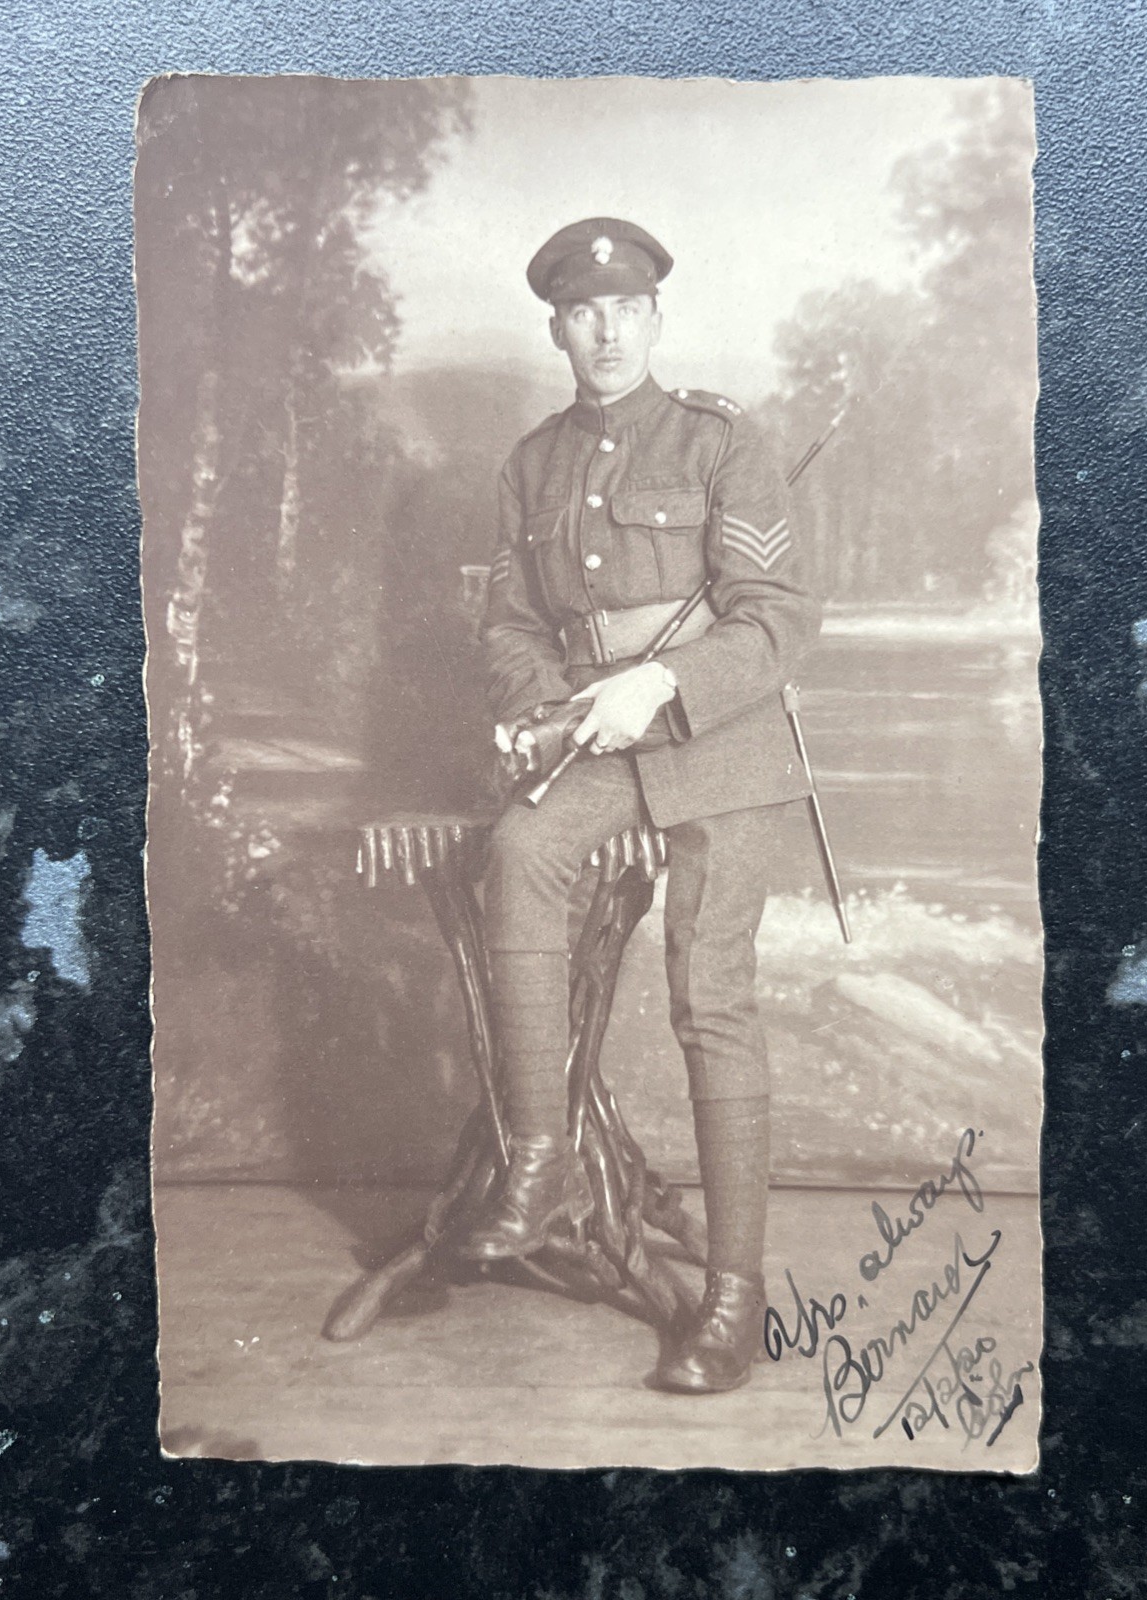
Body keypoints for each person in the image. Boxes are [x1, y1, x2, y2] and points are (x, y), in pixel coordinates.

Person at [468, 217, 821, 1393]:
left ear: (657, 320)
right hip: (595, 737)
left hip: (718, 742)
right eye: (582, 311)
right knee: (518, 852)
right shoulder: (530, 463)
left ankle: (732, 1295)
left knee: (707, 995)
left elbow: (773, 619)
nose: (606, 329)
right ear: (557, 327)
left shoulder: (722, 439)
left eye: (626, 309)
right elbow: (514, 625)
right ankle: (542, 1161)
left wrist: (663, 680)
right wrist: (539, 706)